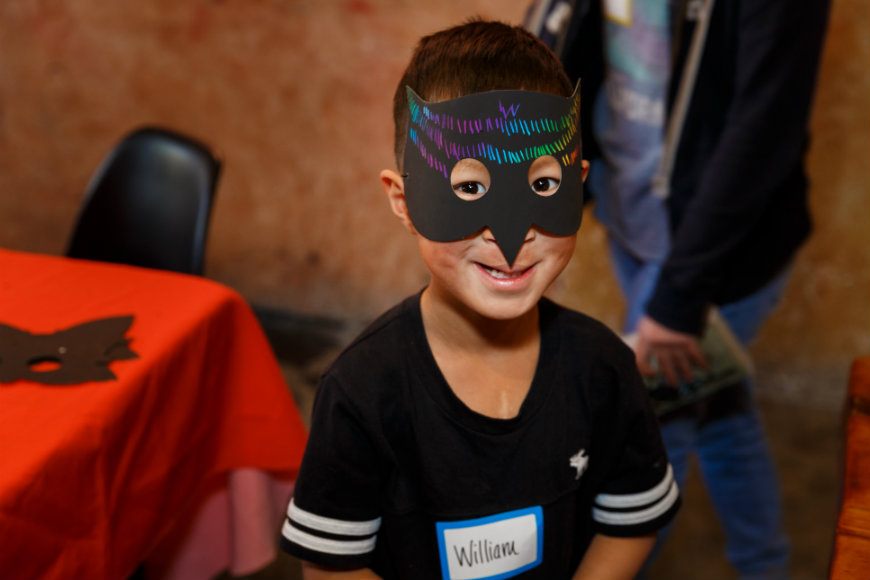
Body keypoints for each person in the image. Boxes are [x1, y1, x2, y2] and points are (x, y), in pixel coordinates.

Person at [279, 19, 680, 580]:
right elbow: (330, 568)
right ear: (404, 200)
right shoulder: (362, 390)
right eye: (469, 189)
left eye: (543, 186)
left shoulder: (603, 369)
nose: (511, 237)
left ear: (579, 181)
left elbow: (631, 520)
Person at [526, 0, 830, 578]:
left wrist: (680, 296)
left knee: (641, 448)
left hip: (711, 249)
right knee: (718, 418)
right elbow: (561, 38)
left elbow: (765, 126)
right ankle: (767, 566)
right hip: (634, 219)